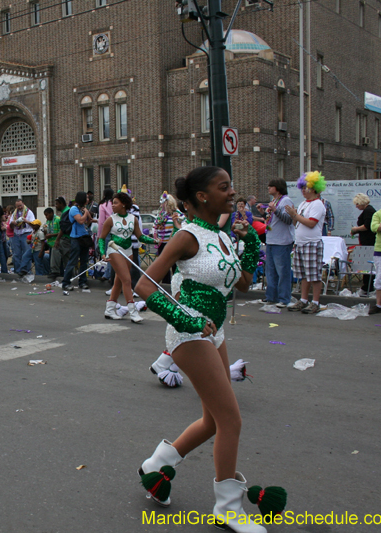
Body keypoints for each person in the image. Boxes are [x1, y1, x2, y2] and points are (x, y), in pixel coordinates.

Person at [133, 167, 266, 532]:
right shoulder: (186, 236)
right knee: (231, 420)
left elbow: (243, 283)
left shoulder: (220, 236)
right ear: (203, 197)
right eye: (224, 187)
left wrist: (250, 244)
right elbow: (144, 286)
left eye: (231, 185)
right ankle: (228, 508)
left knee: (213, 421)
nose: (232, 192)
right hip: (189, 335)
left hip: (215, 331)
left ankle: (157, 465)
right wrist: (184, 319)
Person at [100, 191, 157, 322]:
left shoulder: (133, 219)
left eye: (115, 203)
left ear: (124, 204)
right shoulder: (111, 219)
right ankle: (133, 311)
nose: (112, 206)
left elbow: (140, 236)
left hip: (128, 251)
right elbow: (102, 238)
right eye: (112, 203)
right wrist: (103, 253)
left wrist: (154, 241)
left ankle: (109, 310)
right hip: (114, 250)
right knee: (127, 280)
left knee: (119, 281)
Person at [285, 171, 327, 314]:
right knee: (303, 274)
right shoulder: (303, 203)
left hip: (311, 243)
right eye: (302, 187)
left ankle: (315, 302)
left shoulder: (317, 204)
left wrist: (295, 215)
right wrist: (293, 215)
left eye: (306, 187)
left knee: (314, 275)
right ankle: (303, 300)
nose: (303, 190)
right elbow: (297, 222)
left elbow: (311, 223)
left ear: (314, 188)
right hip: (301, 243)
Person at [62, 192, 93, 291]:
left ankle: (82, 281)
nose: (88, 199)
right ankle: (66, 282)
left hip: (84, 237)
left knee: (84, 261)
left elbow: (87, 222)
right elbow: (80, 220)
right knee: (73, 261)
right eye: (86, 198)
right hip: (76, 238)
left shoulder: (83, 209)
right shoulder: (74, 209)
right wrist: (86, 213)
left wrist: (88, 216)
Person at [350, 193, 377, 295]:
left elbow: (367, 226)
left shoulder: (368, 211)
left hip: (369, 242)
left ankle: (367, 287)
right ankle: (367, 287)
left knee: (367, 265)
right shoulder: (369, 210)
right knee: (366, 265)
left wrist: (355, 229)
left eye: (357, 204)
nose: (356, 206)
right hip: (366, 241)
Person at [153, 193, 183, 284]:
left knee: (174, 264)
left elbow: (184, 225)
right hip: (162, 242)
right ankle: (166, 285)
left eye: (163, 202)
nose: (161, 205)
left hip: (173, 243)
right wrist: (155, 236)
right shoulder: (161, 214)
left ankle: (176, 284)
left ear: (168, 203)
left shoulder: (177, 213)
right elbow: (155, 226)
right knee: (163, 265)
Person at [8, 198, 36, 276]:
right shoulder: (14, 213)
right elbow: (10, 225)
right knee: (16, 254)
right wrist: (13, 222)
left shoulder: (29, 212)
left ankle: (27, 271)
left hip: (25, 234)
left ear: (23, 203)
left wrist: (26, 221)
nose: (19, 207)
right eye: (18, 206)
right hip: (16, 234)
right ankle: (17, 271)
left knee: (26, 253)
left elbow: (34, 224)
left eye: (20, 205)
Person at [49, 197, 72, 281]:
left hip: (66, 238)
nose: (56, 206)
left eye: (57, 204)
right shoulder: (67, 211)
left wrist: (57, 240)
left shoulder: (66, 212)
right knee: (67, 257)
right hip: (70, 238)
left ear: (61, 204)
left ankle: (55, 271)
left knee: (56, 249)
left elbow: (63, 228)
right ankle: (69, 276)